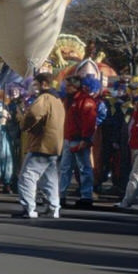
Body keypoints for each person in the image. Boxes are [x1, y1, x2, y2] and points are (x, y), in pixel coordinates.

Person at [14, 73, 65, 219]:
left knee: (27, 176)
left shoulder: (44, 98)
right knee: (50, 178)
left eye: (36, 84)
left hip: (41, 143)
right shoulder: (57, 99)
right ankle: (53, 208)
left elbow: (33, 116)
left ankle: (28, 208)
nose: (34, 88)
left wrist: (23, 122)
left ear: (44, 84)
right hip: (54, 145)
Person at [58, 75, 98, 208]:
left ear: (75, 87)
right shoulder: (68, 100)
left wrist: (85, 139)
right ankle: (61, 195)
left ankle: (86, 197)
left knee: (84, 168)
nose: (66, 88)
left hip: (78, 140)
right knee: (65, 168)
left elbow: (89, 121)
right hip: (69, 139)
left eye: (68, 85)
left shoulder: (85, 101)